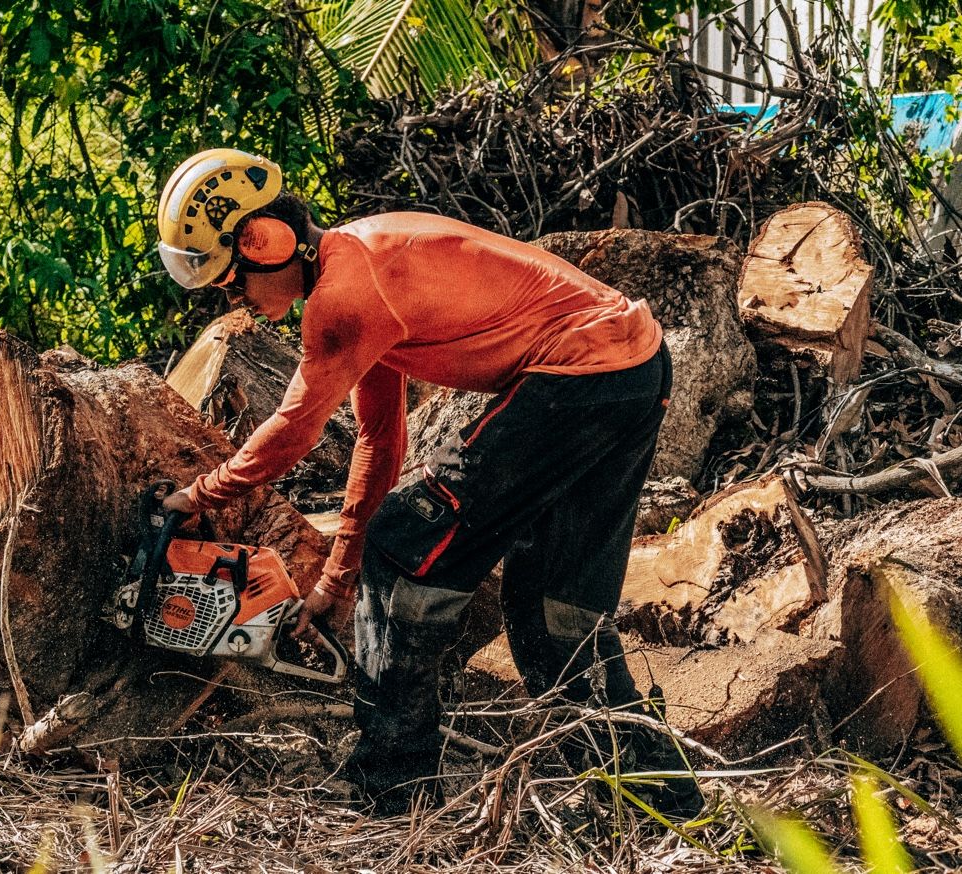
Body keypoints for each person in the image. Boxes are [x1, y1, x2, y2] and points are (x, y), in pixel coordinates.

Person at [155, 148, 700, 816]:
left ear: (260, 241)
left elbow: (294, 427)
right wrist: (336, 579)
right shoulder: (360, 263)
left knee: (404, 546)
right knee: (556, 612)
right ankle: (662, 805)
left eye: (230, 283)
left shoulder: (343, 297)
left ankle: (390, 785)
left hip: (579, 378)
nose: (234, 300)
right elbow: (379, 437)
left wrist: (195, 496)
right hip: (634, 369)